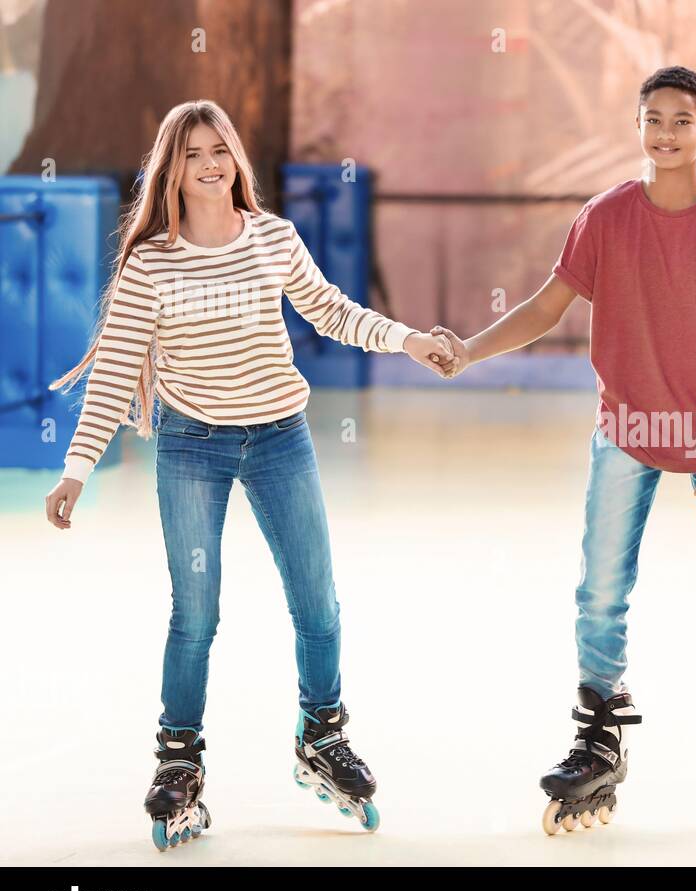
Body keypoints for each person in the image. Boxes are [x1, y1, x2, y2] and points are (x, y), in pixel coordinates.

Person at [43, 100, 453, 849]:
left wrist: (407, 340)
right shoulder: (151, 263)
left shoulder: (271, 237)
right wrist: (77, 468)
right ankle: (179, 761)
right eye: (194, 152)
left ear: (235, 160)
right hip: (190, 445)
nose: (211, 163)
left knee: (316, 600)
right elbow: (113, 372)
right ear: (171, 167)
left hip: (278, 438)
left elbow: (330, 311)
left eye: (221, 150)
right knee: (195, 613)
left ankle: (322, 736)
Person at [430, 66, 696, 836]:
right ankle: (598, 728)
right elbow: (545, 306)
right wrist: (468, 350)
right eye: (652, 119)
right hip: (627, 428)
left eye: (681, 120)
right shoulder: (605, 217)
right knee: (600, 588)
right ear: (638, 126)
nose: (665, 133)